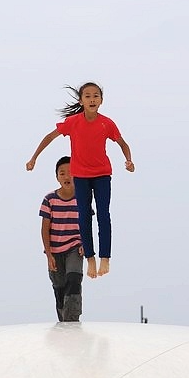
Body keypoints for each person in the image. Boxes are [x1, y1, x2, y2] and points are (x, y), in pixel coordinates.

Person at [26, 82, 134, 279]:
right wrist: (34, 157)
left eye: (96, 96)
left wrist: (129, 160)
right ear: (81, 100)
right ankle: (90, 258)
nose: (92, 99)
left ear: (101, 100)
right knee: (84, 216)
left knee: (103, 214)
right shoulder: (73, 122)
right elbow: (50, 137)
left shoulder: (107, 123)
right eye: (87, 96)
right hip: (81, 176)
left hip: (101, 174)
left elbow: (122, 143)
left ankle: (105, 257)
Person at [39, 156, 84, 322]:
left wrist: (86, 244)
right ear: (57, 177)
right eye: (62, 173)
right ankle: (63, 320)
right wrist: (49, 254)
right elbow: (45, 228)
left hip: (74, 247)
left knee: (74, 278)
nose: (67, 176)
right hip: (55, 251)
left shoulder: (82, 197)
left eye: (71, 172)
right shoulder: (49, 199)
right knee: (59, 287)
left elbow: (87, 223)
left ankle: (72, 319)